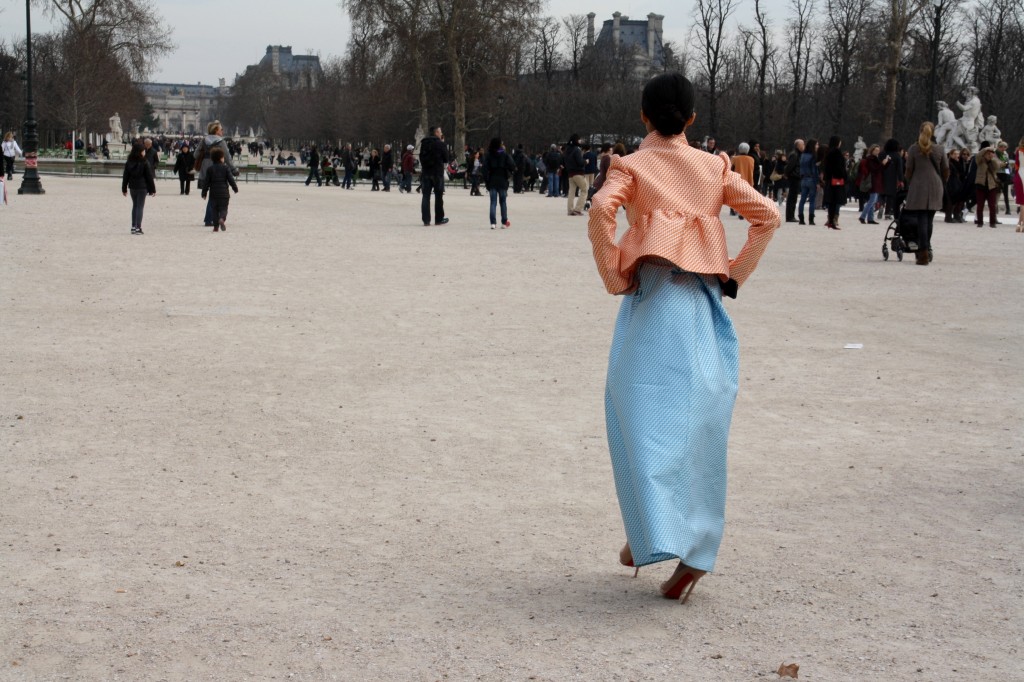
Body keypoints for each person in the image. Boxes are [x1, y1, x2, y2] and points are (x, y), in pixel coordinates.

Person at [588, 73, 780, 603]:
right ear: (692, 119)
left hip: (651, 304)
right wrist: (734, 273)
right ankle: (685, 551)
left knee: (633, 413)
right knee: (698, 428)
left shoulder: (632, 166)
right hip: (702, 307)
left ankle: (646, 531)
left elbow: (602, 209)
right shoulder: (713, 166)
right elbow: (769, 216)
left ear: (644, 117)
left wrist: (614, 271)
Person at [904, 122, 948, 265]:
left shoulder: (913, 149)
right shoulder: (940, 149)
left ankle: (922, 252)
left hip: (918, 185)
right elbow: (945, 169)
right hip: (935, 185)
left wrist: (911, 181)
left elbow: (909, 170)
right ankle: (927, 247)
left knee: (921, 219)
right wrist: (942, 181)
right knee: (929, 220)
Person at [195, 121, 238, 227]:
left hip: (205, 169)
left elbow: (195, 154)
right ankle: (210, 219)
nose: (222, 131)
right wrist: (233, 169)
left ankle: (209, 218)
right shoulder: (220, 142)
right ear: (216, 130)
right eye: (221, 129)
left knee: (212, 195)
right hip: (217, 169)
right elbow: (227, 158)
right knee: (214, 196)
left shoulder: (204, 141)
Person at [121, 141, 156, 235]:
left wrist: (124, 188)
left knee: (135, 206)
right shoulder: (144, 162)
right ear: (140, 151)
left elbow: (125, 176)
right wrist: (153, 189)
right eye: (143, 150)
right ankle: (138, 227)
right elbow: (149, 177)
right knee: (140, 207)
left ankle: (133, 226)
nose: (144, 152)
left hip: (132, 187)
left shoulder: (129, 162)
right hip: (142, 187)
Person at [201, 147, 239, 232]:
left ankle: (215, 227)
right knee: (223, 209)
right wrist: (235, 188)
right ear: (221, 158)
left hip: (213, 193)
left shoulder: (210, 169)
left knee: (214, 210)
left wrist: (204, 193)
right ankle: (222, 219)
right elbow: (231, 179)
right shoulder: (225, 168)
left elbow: (206, 182)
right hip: (224, 193)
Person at [481, 137, 515, 229]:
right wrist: (508, 172)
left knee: (493, 202)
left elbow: (484, 169)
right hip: (502, 179)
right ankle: (504, 222)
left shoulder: (489, 155)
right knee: (503, 202)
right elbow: (512, 165)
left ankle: (493, 223)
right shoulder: (504, 154)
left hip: (492, 179)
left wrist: (486, 179)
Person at [419, 125, 450, 225]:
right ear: (436, 133)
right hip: (437, 173)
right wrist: (443, 143)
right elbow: (446, 158)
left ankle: (426, 220)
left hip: (426, 172)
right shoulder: (440, 144)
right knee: (438, 197)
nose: (441, 134)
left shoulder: (424, 143)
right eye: (440, 132)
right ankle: (438, 219)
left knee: (426, 197)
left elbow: (421, 157)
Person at [973, 144, 1005, 228]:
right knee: (980, 205)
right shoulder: (980, 160)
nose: (989, 154)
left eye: (991, 153)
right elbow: (978, 155)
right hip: (981, 184)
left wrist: (992, 158)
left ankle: (992, 222)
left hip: (991, 185)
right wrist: (986, 149)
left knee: (992, 205)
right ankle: (980, 222)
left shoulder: (993, 161)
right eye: (988, 153)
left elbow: (997, 166)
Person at [821, 136, 846, 230]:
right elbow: (839, 167)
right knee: (835, 201)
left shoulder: (828, 152)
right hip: (837, 180)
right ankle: (832, 221)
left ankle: (830, 220)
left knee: (831, 201)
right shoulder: (837, 153)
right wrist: (844, 175)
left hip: (830, 179)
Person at [858, 144, 884, 224]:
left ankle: (870, 218)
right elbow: (874, 169)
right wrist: (882, 164)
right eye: (876, 150)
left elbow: (880, 169)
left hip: (875, 180)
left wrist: (886, 163)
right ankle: (862, 216)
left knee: (873, 200)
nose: (877, 152)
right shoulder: (870, 158)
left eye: (878, 150)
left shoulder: (875, 158)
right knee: (872, 200)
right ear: (872, 150)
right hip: (872, 181)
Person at [564, 133, 588, 216]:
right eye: (579, 139)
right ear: (576, 140)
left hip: (570, 173)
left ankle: (570, 210)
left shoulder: (567, 150)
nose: (580, 140)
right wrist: (585, 161)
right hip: (578, 173)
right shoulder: (577, 150)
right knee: (584, 190)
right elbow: (580, 162)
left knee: (571, 192)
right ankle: (578, 209)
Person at [731, 143, 756, 219]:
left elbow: (731, 168)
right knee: (746, 198)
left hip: (737, 180)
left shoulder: (735, 158)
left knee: (738, 197)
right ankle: (744, 212)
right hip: (748, 180)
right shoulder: (751, 159)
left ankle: (737, 211)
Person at [798, 138, 819, 225]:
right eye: (817, 144)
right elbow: (814, 170)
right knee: (812, 200)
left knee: (802, 200)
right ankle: (811, 218)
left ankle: (801, 218)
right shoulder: (813, 156)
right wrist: (817, 181)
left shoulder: (803, 155)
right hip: (811, 178)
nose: (818, 146)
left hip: (803, 178)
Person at [784, 139, 804, 222]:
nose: (804, 146)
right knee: (792, 198)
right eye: (802, 144)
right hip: (794, 178)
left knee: (793, 197)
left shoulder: (797, 154)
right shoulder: (795, 155)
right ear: (798, 146)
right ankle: (790, 216)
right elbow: (789, 167)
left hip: (795, 177)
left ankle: (791, 215)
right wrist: (788, 175)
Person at [1014, 137, 1024, 232]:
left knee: (1022, 202)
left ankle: (1019, 223)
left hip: (1020, 174)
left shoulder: (1018, 151)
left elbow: (1016, 165)